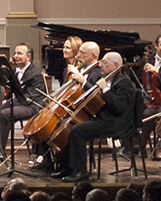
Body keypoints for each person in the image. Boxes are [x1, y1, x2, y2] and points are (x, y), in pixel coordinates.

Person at [54, 51, 137, 182]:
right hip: (103, 118)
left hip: (115, 123)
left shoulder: (124, 82)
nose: (100, 65)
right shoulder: (106, 78)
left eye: (104, 63)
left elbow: (119, 108)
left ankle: (81, 171)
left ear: (115, 66)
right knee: (67, 126)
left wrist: (105, 90)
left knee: (78, 130)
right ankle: (66, 167)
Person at [0, 43, 45, 161]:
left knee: (5, 114)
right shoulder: (15, 71)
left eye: (20, 53)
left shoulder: (35, 74)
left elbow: (30, 97)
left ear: (28, 57)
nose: (16, 56)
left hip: (32, 106)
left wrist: (9, 102)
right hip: (19, 103)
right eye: (15, 53)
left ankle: (0, 151)